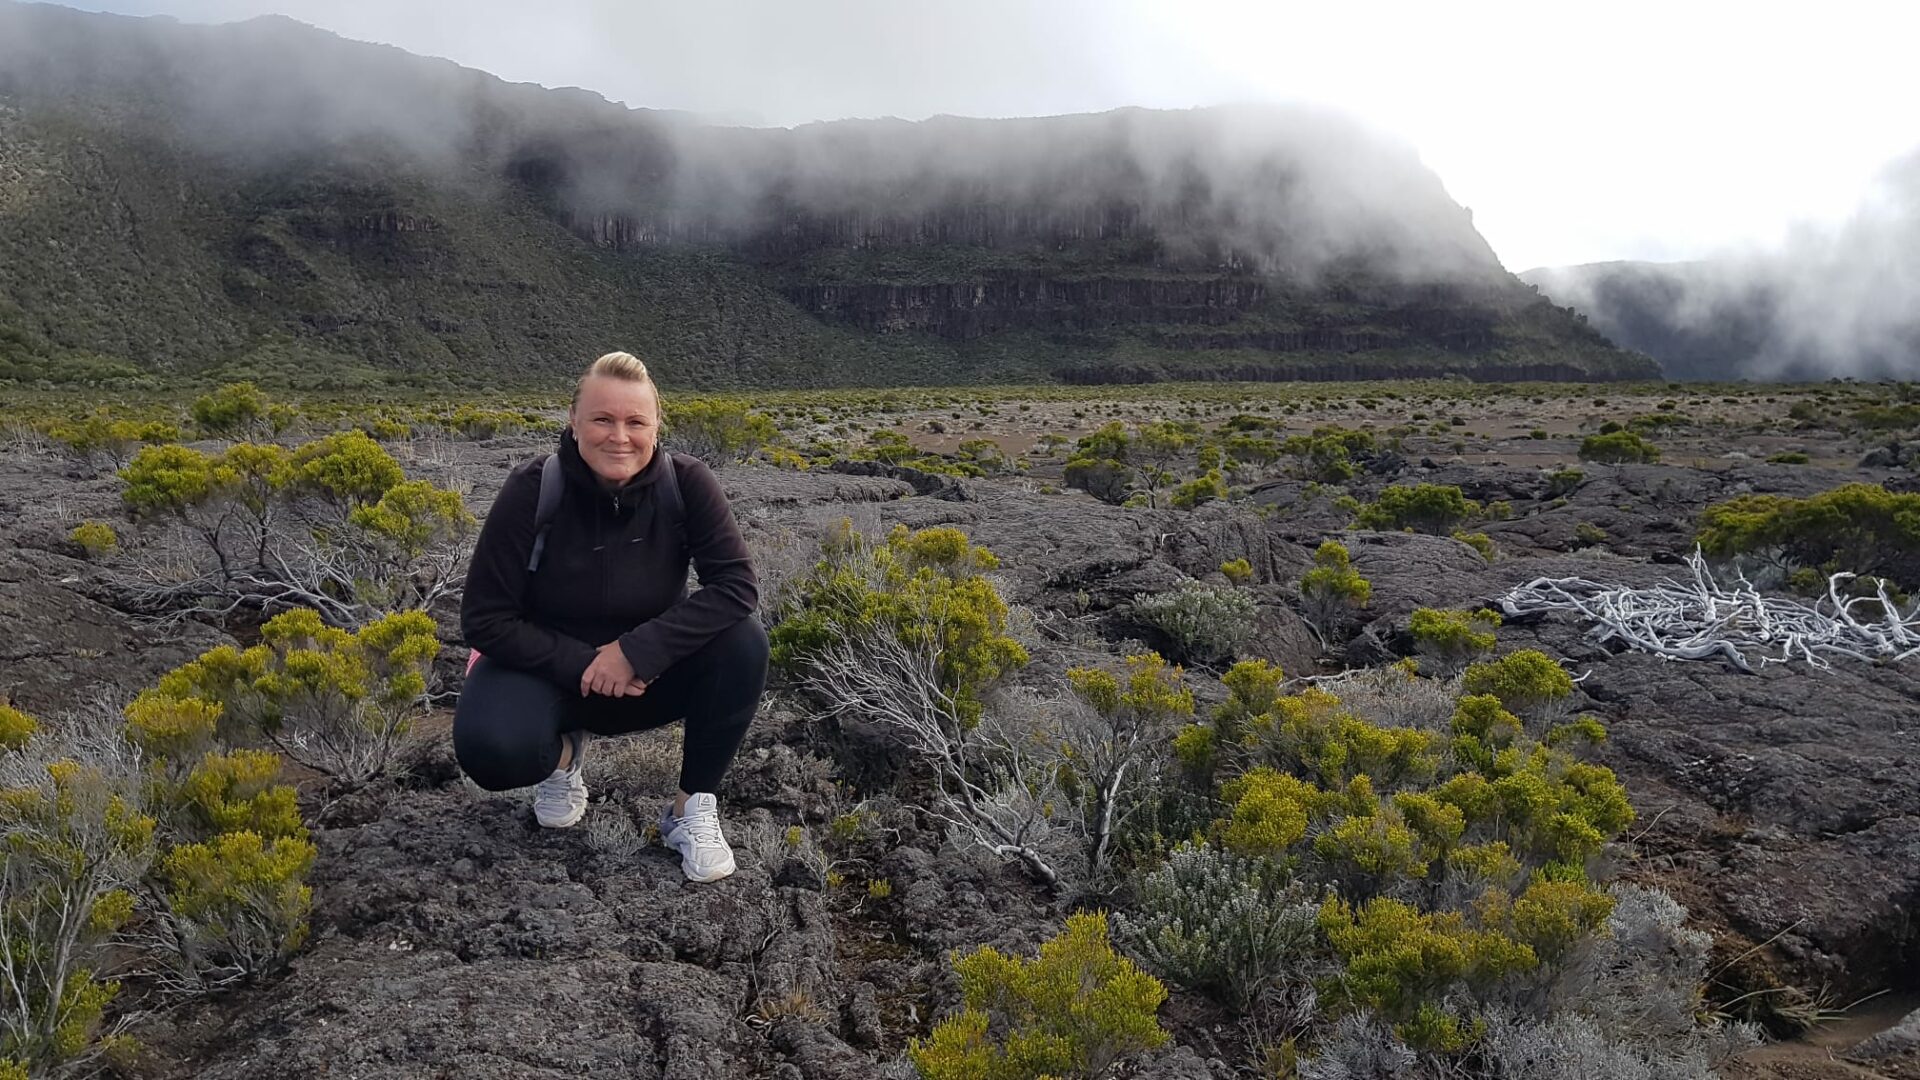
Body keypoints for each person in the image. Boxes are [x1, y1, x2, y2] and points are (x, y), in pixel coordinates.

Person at [454, 351, 767, 883]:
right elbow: (485, 619)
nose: (619, 436)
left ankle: (690, 809)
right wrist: (585, 663)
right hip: (548, 673)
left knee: (744, 641)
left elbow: (737, 587)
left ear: (656, 425)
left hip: (646, 679)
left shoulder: (686, 483)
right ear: (574, 421)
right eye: (602, 419)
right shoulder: (533, 488)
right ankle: (564, 756)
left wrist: (635, 653)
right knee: (491, 750)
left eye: (635, 421)